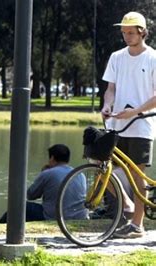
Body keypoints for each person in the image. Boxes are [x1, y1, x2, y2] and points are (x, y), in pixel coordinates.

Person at [101, 11, 156, 239]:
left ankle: (137, 225)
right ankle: (128, 206)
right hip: (116, 123)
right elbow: (111, 88)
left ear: (142, 32)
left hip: (141, 124)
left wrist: (134, 111)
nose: (126, 36)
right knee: (102, 169)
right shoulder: (116, 57)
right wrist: (107, 105)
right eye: (123, 32)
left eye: (130, 32)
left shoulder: (153, 58)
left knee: (137, 174)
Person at [0, 144, 87, 223]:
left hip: (54, 217)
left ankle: (1, 225)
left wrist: (42, 174)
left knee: (19, 207)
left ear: (52, 158)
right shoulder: (80, 174)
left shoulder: (48, 173)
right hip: (79, 216)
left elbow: (30, 195)